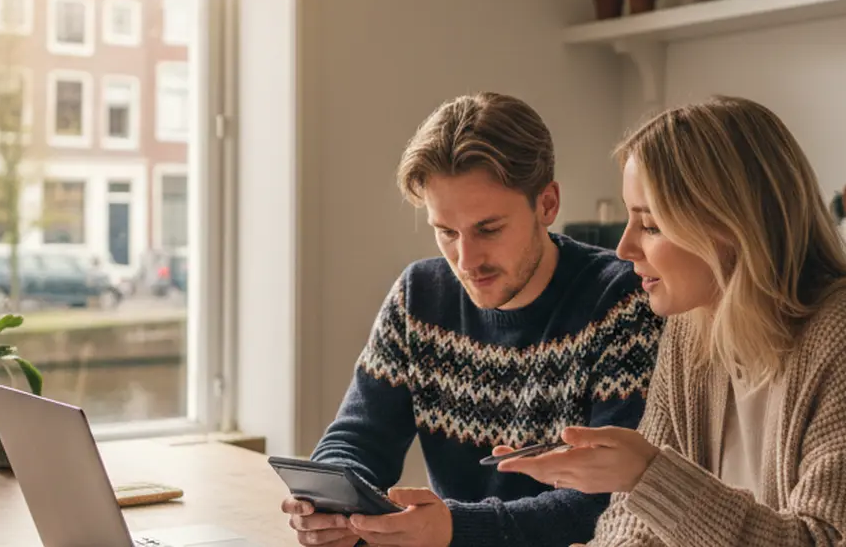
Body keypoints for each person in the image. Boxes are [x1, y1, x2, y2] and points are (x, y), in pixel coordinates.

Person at [496, 96, 846, 546]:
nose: (624, 248)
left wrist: (650, 476)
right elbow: (636, 521)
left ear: (730, 226)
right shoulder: (692, 329)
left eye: (651, 224)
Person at [281, 92, 665, 547]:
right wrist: (329, 503)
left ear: (547, 204)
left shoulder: (624, 301)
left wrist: (456, 528)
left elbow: (615, 502)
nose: (466, 260)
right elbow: (359, 437)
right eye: (446, 232)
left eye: (489, 229)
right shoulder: (418, 296)